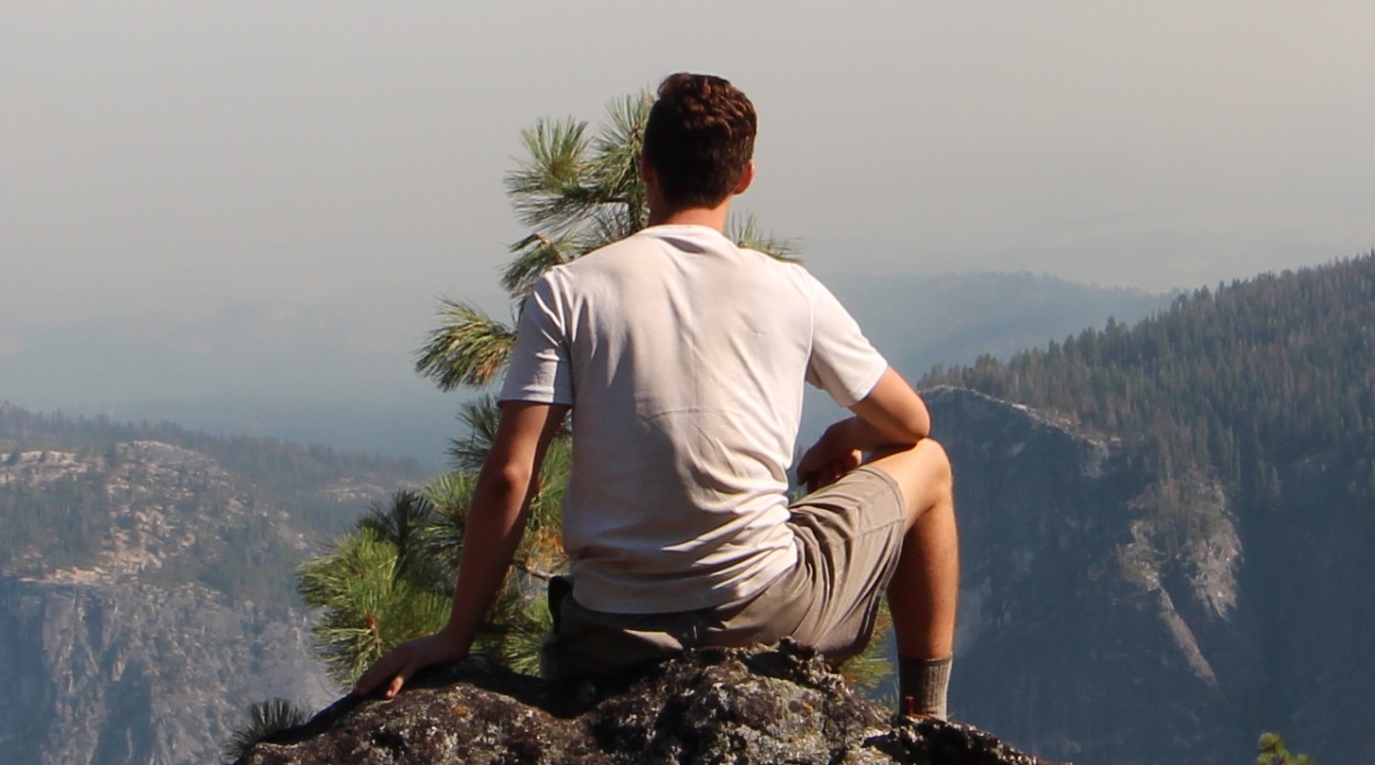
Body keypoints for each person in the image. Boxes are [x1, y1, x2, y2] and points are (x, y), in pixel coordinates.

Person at [359, 72, 960, 721]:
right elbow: (910, 421)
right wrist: (845, 437)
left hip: (609, 638)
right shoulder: (790, 289)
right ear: (744, 177)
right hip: (766, 615)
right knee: (930, 462)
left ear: (645, 165)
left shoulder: (567, 291)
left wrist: (456, 636)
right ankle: (925, 718)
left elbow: (511, 473)